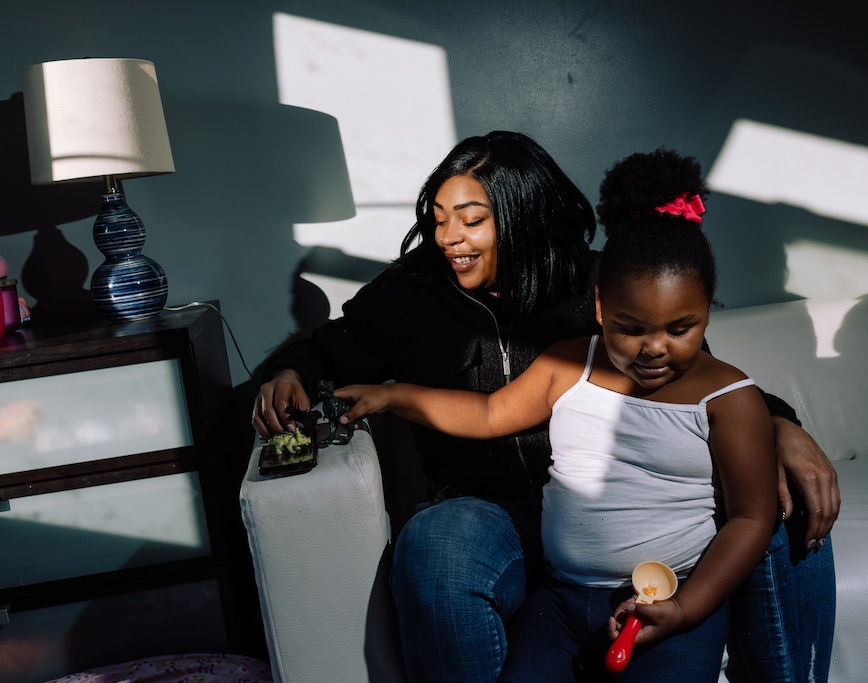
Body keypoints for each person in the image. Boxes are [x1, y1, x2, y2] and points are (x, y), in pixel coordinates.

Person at [251, 131, 838, 681]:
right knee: (436, 549)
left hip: (615, 504)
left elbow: (691, 377)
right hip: (488, 512)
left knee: (780, 500)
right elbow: (330, 347)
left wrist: (777, 423)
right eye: (439, 220)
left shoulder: (606, 283)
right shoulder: (411, 292)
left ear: (522, 217)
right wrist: (290, 372)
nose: (448, 238)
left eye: (471, 220)